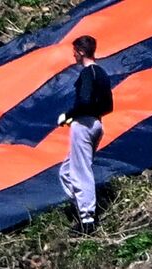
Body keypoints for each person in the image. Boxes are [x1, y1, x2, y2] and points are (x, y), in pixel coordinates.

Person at [57, 35, 113, 233]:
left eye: (74, 51)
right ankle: (82, 207)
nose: (73, 55)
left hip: (84, 125)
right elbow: (108, 106)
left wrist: (69, 115)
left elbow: (84, 101)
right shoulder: (103, 73)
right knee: (65, 171)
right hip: (97, 123)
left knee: (81, 172)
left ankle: (87, 219)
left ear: (80, 52)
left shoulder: (88, 73)